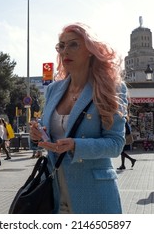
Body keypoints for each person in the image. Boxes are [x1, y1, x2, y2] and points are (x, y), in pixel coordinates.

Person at [29, 23, 127, 214]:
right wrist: (36, 135)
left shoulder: (110, 88)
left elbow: (116, 144)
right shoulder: (53, 90)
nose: (65, 51)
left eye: (73, 45)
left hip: (94, 193)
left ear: (91, 50)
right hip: (54, 191)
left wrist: (76, 145)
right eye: (61, 45)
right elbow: (45, 131)